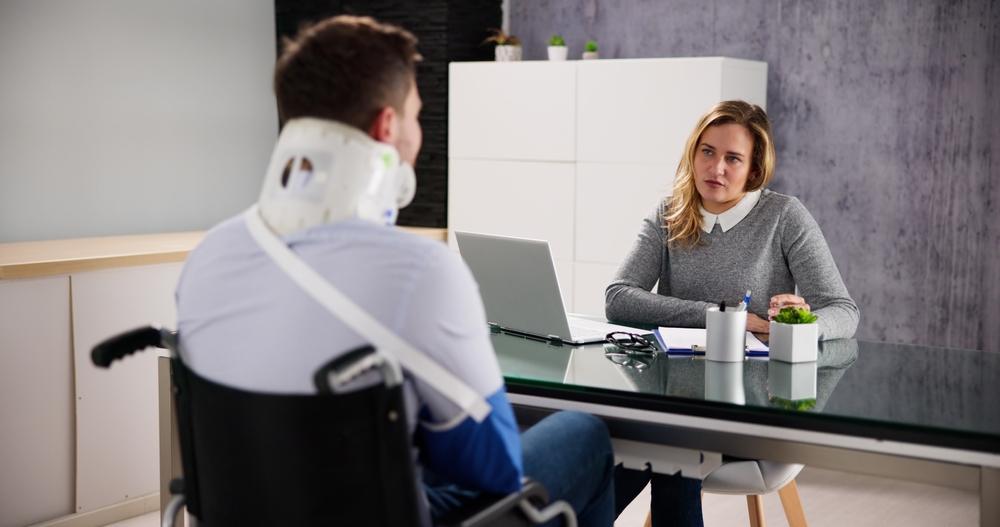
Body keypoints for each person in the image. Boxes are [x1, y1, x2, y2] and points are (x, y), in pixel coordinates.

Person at [176, 15, 614, 526]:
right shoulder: (419, 271)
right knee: (583, 434)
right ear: (387, 127)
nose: (418, 135)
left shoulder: (210, 255)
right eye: (416, 117)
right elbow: (494, 468)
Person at [605, 100, 859, 526]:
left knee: (665, 449)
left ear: (754, 168)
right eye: (707, 151)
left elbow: (844, 311)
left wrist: (801, 324)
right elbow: (618, 298)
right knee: (632, 445)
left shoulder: (784, 217)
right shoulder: (669, 214)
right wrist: (719, 315)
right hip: (674, 401)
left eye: (732, 158)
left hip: (754, 408)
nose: (716, 168)